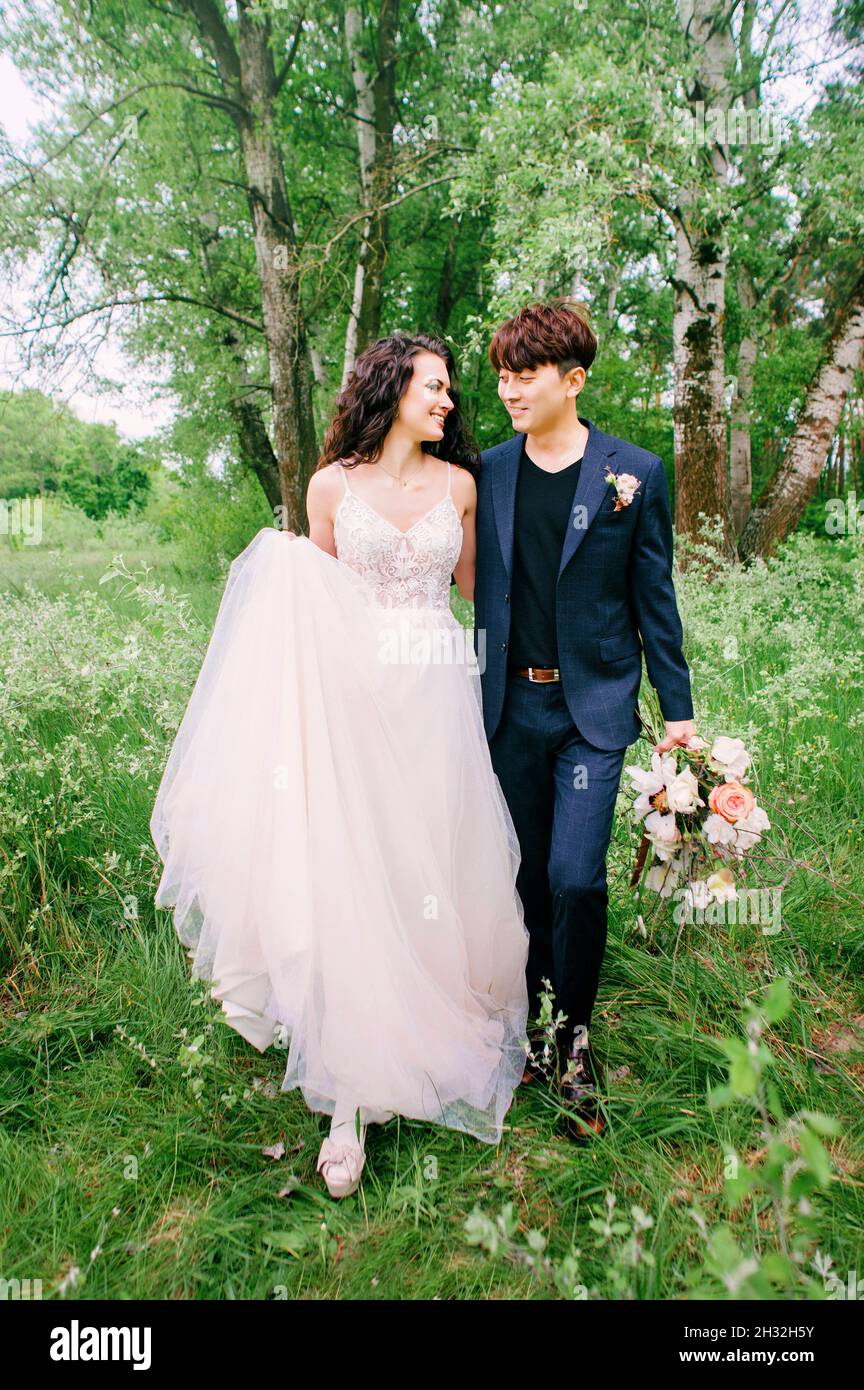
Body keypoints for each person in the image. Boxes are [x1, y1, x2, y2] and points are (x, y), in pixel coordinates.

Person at [150, 333, 530, 1199]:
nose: (448, 402)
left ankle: (429, 1022)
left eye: (451, 392)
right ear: (392, 388)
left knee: (425, 866)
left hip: (434, 700)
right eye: (435, 388)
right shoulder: (330, 487)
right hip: (352, 699)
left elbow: (481, 593)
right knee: (353, 875)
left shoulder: (461, 487)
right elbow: (309, 603)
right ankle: (350, 1101)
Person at [473, 300, 698, 1138]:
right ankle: (533, 1029)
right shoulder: (488, 471)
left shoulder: (631, 472)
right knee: (525, 882)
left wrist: (678, 716)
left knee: (577, 878)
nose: (506, 388)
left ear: (574, 379)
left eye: (523, 373)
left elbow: (656, 600)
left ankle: (575, 1042)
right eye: (500, 373)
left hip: (593, 711)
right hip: (507, 708)